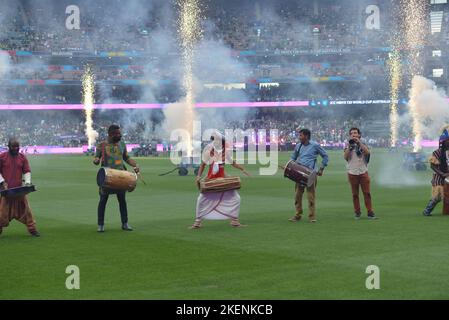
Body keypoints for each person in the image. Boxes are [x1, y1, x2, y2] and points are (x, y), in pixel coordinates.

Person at [191, 132, 250, 229]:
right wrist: (198, 176)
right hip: (211, 180)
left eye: (218, 140)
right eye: (214, 140)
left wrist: (242, 169)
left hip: (223, 180)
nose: (216, 142)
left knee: (236, 198)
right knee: (201, 200)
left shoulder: (225, 153)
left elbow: (233, 163)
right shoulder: (208, 152)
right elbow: (203, 165)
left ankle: (234, 220)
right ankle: (197, 222)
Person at [93, 125, 140, 232]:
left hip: (121, 176)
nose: (119, 136)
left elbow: (126, 157)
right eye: (117, 134)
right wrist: (95, 160)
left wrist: (135, 165)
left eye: (120, 134)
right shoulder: (102, 145)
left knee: (122, 201)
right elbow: (96, 157)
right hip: (107, 177)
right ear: (110, 134)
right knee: (103, 201)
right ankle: (100, 225)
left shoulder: (122, 144)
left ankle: (125, 223)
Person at [0, 138, 40, 237]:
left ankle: (32, 229)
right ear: (8, 146)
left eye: (17, 146)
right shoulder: (2, 157)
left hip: (19, 191)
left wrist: (27, 183)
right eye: (13, 146)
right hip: (6, 191)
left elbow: (26, 170)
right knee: (2, 213)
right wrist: (2, 182)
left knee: (27, 211)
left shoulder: (22, 157)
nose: (16, 148)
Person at [289, 128, 329, 223]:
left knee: (311, 196)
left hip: (311, 173)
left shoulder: (315, 145)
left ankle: (312, 216)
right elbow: (293, 158)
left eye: (301, 135)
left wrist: (321, 168)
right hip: (299, 173)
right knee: (297, 195)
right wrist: (290, 165)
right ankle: (298, 214)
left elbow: (325, 155)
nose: (299, 137)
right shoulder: (298, 146)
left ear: (306, 136)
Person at [344, 127, 377, 219]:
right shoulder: (348, 145)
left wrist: (359, 143)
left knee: (367, 193)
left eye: (355, 133)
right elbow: (345, 157)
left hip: (363, 171)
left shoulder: (363, 144)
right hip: (352, 172)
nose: (354, 134)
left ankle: (370, 211)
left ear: (359, 135)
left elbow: (367, 152)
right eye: (352, 133)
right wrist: (350, 147)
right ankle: (357, 212)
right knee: (355, 194)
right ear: (350, 135)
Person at [422, 129, 449, 216]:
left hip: (448, 177)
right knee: (437, 196)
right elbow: (432, 165)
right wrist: (442, 174)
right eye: (447, 140)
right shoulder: (437, 152)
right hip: (439, 177)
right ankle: (427, 211)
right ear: (443, 142)